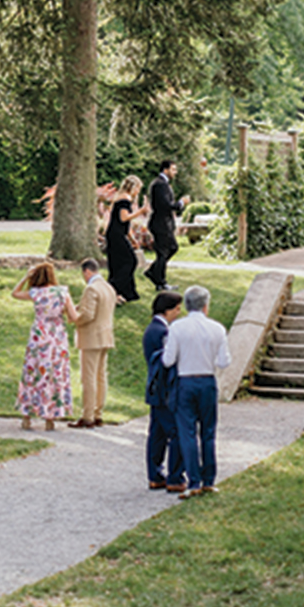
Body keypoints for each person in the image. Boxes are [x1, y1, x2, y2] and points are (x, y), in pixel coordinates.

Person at [162, 283, 231, 496]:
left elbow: (168, 360)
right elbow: (224, 362)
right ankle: (209, 479)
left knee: (187, 432)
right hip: (207, 381)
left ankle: (193, 481)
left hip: (185, 381)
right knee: (208, 432)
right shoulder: (217, 328)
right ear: (205, 306)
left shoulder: (177, 328)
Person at [11, 259, 75, 431]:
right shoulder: (62, 293)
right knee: (54, 374)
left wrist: (25, 277)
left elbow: (14, 293)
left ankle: (27, 416)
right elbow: (74, 316)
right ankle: (50, 418)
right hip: (56, 338)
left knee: (33, 372)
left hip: (39, 337)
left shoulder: (36, 293)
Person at [142, 290, 185, 491]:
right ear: (167, 310)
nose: (178, 313)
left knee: (157, 434)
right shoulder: (162, 332)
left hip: (155, 389)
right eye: (176, 309)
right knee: (175, 432)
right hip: (164, 390)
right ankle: (175, 476)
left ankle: (155, 474)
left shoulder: (153, 329)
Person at [68, 258, 118, 426]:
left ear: (87, 271)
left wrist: (75, 319)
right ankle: (98, 413)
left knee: (88, 377)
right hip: (105, 336)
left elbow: (88, 315)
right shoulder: (109, 288)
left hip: (91, 338)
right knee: (101, 376)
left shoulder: (91, 289)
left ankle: (87, 415)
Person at [101, 177, 143, 303]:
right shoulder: (124, 199)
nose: (138, 192)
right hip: (116, 235)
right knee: (130, 261)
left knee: (117, 263)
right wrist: (141, 211)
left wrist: (132, 239)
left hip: (116, 234)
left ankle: (124, 293)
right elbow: (124, 218)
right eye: (138, 189)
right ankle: (112, 287)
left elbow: (125, 224)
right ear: (133, 187)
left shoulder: (122, 198)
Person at [145, 159, 181, 290]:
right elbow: (165, 206)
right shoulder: (159, 184)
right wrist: (180, 204)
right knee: (164, 252)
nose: (175, 172)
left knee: (171, 248)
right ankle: (160, 282)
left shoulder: (163, 184)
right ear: (165, 170)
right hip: (160, 224)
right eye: (173, 169)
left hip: (164, 223)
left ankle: (153, 273)